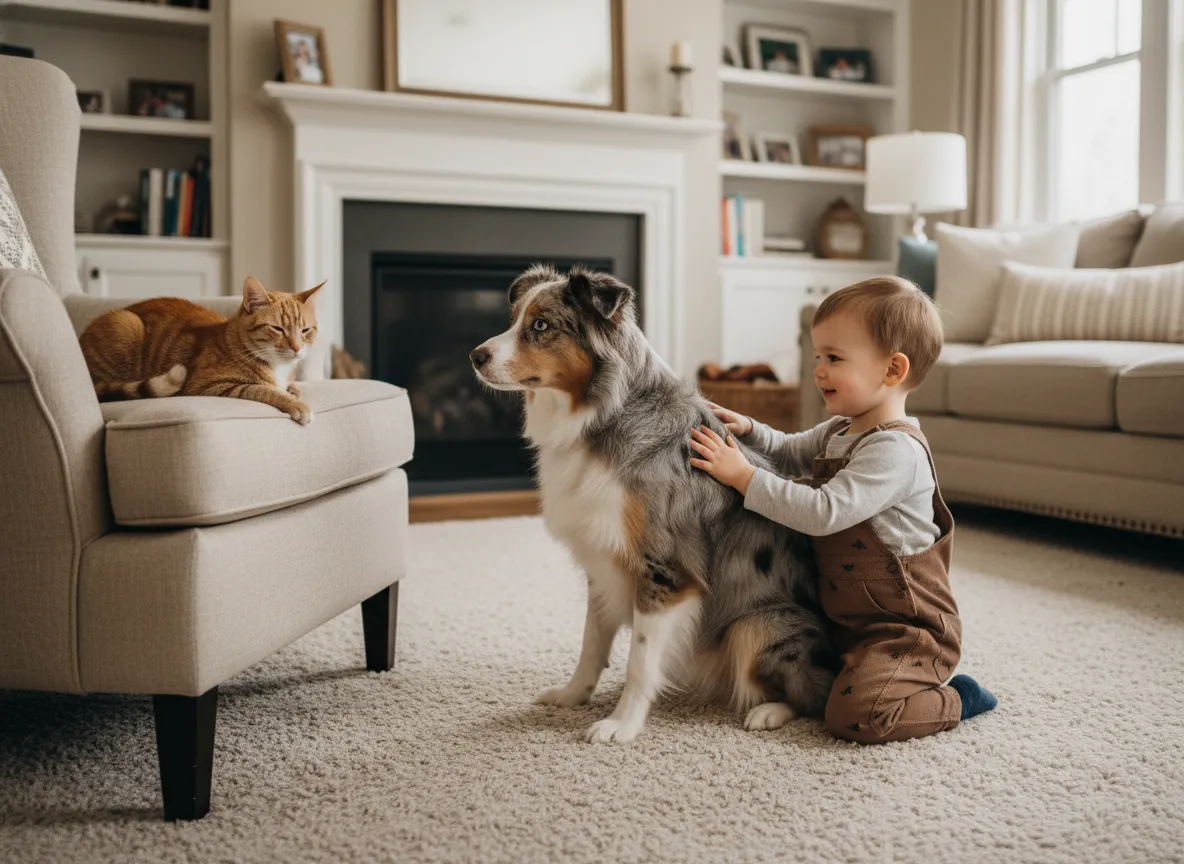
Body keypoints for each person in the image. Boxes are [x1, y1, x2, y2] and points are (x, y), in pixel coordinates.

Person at [689, 276, 997, 744]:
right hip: (842, 620)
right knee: (811, 678)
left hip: (902, 629)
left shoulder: (895, 452)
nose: (819, 370)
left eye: (834, 358)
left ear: (892, 369)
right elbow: (790, 449)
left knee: (857, 716)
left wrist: (743, 477)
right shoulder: (841, 429)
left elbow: (824, 512)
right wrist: (750, 429)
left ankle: (957, 697)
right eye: (818, 356)